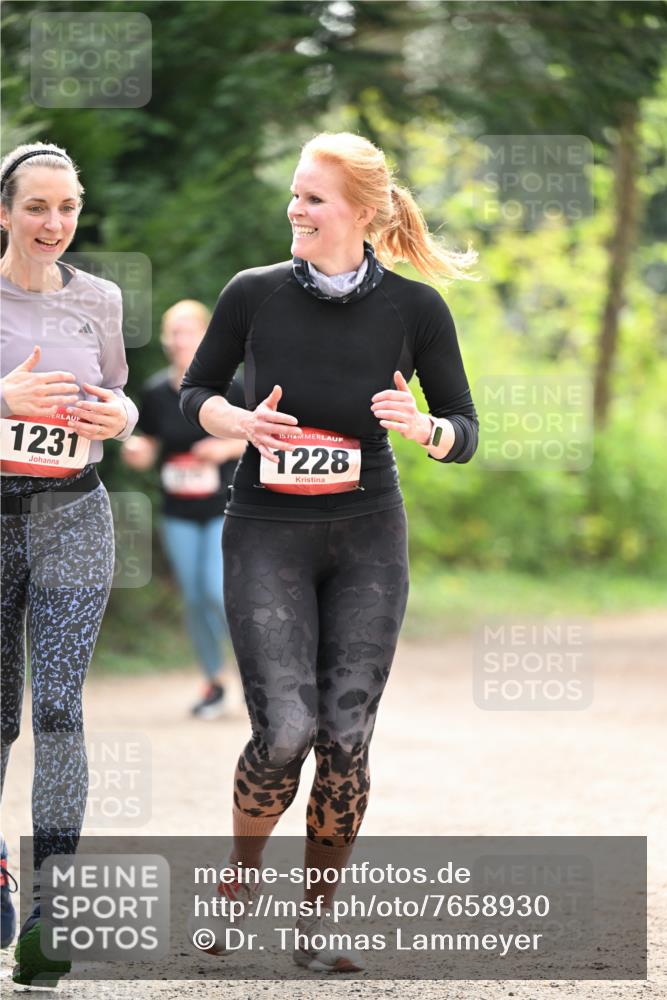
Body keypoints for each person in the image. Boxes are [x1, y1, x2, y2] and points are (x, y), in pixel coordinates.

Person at [180, 131, 478, 973]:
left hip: (367, 534)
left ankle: (316, 925)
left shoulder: (414, 310)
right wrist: (236, 421)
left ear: (360, 212)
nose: (294, 209)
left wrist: (428, 429)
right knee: (284, 732)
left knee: (345, 737)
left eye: (312, 197)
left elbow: (465, 429)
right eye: (295, 193)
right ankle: (238, 885)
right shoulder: (253, 294)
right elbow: (197, 391)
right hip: (267, 530)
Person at [0, 141, 138, 987]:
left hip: (74, 514)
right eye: (38, 207)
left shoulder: (101, 299)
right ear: (4, 212)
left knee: (56, 707)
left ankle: (54, 907)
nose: (55, 224)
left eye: (68, 208)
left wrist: (119, 416)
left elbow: (116, 395)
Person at [121, 300, 245, 718]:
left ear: (206, 337)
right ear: (164, 339)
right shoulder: (156, 391)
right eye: (173, 331)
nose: (180, 339)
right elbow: (150, 444)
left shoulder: (231, 387)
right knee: (193, 598)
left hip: (225, 506)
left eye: (189, 330)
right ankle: (213, 683)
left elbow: (260, 436)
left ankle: (257, 673)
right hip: (178, 510)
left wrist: (223, 446)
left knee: (215, 590)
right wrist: (136, 450)